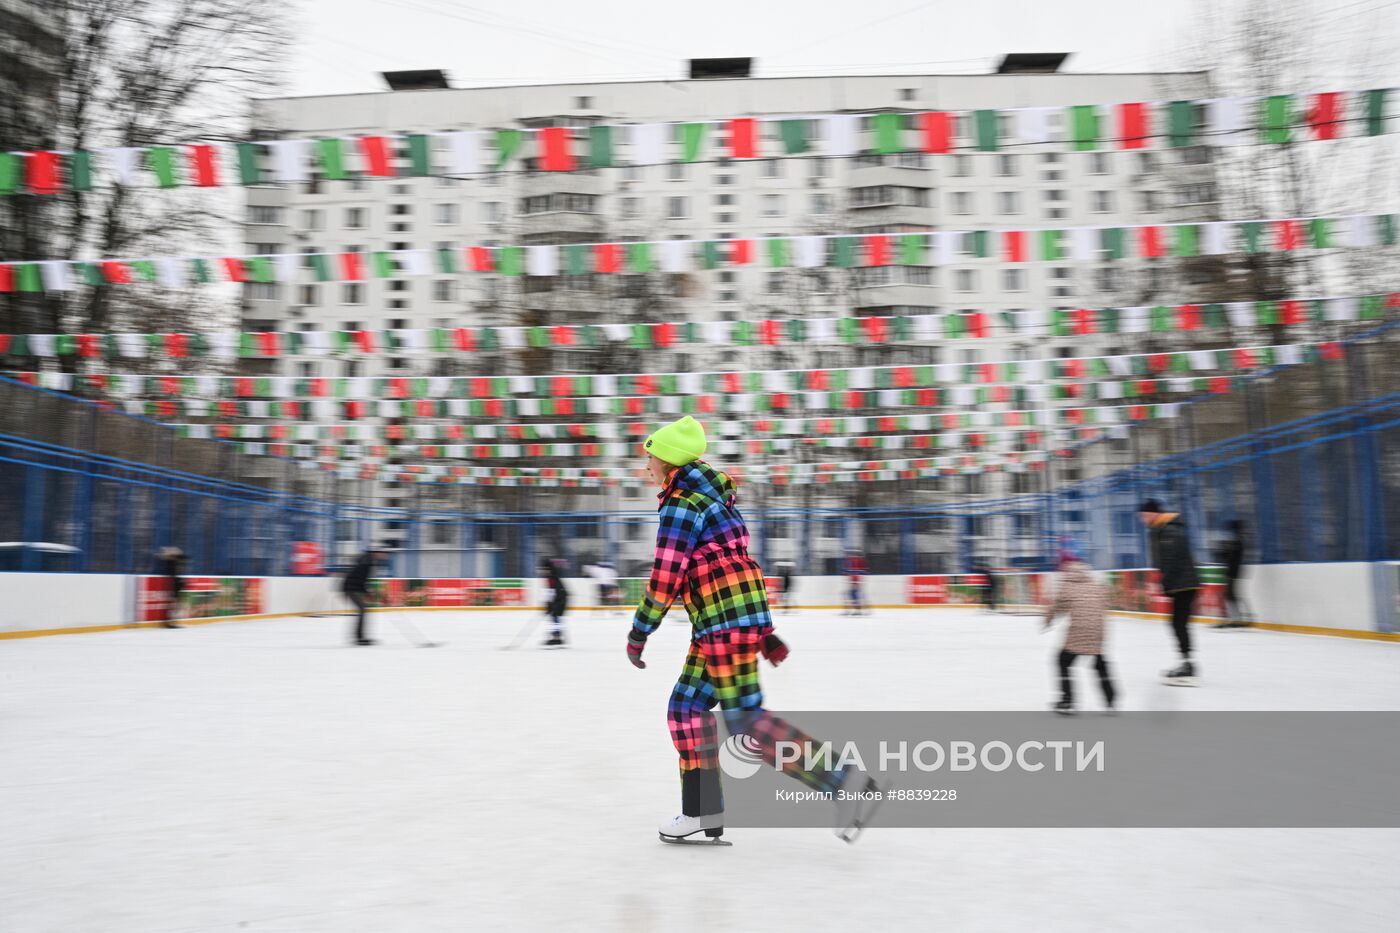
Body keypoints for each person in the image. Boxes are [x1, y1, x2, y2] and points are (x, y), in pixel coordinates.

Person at [626, 416, 878, 845]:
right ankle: (702, 811)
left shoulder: (683, 503)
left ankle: (844, 781)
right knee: (686, 712)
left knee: (745, 721)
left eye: (649, 455)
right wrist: (762, 629)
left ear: (666, 460)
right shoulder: (716, 502)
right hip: (722, 624)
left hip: (722, 625)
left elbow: (667, 574)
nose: (645, 463)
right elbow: (739, 569)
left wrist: (639, 630)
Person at [1043, 545, 1116, 715]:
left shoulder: (1067, 584)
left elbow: (1056, 607)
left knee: (1062, 661)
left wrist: (1047, 621)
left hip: (1079, 630)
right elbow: (1106, 601)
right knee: (1099, 663)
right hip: (1099, 629)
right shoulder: (1094, 581)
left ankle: (1067, 700)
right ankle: (1111, 700)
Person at [1139, 499, 1200, 685]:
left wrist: (1165, 581)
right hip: (1182, 583)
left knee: (1178, 623)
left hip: (1184, 583)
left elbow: (1172, 557)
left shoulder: (1168, 529)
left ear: (1153, 513)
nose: (1143, 519)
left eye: (1145, 515)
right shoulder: (1161, 529)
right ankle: (1186, 662)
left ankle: (1188, 666)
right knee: (1177, 623)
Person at [343, 544, 386, 646]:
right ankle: (359, 638)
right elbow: (362, 581)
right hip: (350, 588)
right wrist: (369, 594)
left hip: (353, 587)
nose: (382, 555)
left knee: (363, 610)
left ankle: (360, 637)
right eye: (380, 553)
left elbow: (362, 581)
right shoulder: (367, 564)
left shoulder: (367, 561)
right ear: (374, 553)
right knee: (363, 609)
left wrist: (369, 594)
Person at [1213, 520, 1249, 629]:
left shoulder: (1237, 542)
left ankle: (1236, 619)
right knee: (1230, 595)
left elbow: (1229, 557)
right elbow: (1227, 556)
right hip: (1232, 571)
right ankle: (1236, 618)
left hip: (1232, 572)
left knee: (1229, 595)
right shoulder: (1237, 541)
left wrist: (1223, 551)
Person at [156, 546, 186, 629]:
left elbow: (183, 557)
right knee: (174, 605)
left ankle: (171, 621)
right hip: (174, 584)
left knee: (175, 605)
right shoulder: (171, 563)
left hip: (175, 584)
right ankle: (170, 622)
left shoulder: (174, 563)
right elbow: (174, 575)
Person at [542, 558, 569, 647]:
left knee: (555, 616)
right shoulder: (553, 575)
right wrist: (549, 605)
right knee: (554, 617)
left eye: (543, 569)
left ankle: (557, 638)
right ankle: (557, 636)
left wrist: (548, 605)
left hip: (560, 598)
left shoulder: (551, 577)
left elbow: (551, 591)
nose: (542, 571)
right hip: (560, 597)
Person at [843, 551, 867, 616]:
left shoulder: (855, 562)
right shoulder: (854, 562)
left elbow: (858, 572)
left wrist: (854, 581)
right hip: (855, 580)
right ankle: (856, 610)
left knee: (854, 594)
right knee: (853, 594)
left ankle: (857, 610)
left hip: (855, 580)